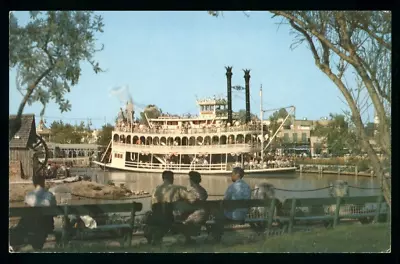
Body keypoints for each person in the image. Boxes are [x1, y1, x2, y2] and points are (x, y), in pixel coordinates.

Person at [146, 170, 197, 245]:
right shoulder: (178, 188)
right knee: (187, 211)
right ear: (172, 178)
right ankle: (187, 238)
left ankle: (157, 238)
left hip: (155, 217)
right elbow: (193, 199)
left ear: (163, 178)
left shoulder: (155, 190)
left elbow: (152, 206)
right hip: (170, 218)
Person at [9, 172, 57, 251]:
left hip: (30, 226)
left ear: (33, 183)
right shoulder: (50, 195)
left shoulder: (28, 196)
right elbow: (54, 212)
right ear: (43, 182)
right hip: (46, 225)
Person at [181, 171, 208, 244]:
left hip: (196, 216)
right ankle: (189, 239)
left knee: (180, 219)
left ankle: (188, 239)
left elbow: (189, 204)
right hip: (204, 214)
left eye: (189, 179)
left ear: (191, 180)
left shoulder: (191, 191)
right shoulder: (203, 190)